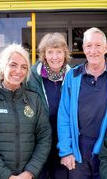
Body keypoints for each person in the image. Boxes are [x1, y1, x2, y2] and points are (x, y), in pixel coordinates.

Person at [0, 44, 52, 179]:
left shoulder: (34, 100)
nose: (18, 71)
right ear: (2, 67)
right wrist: (6, 176)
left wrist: (30, 172)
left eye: (24, 67)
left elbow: (45, 138)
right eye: (13, 65)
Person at [57, 27, 107, 179]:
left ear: (106, 48)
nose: (93, 50)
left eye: (98, 45)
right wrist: (66, 151)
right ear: (83, 48)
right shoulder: (72, 76)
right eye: (89, 45)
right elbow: (64, 115)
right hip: (79, 149)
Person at [27, 33, 71, 179]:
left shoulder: (73, 77)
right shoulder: (31, 76)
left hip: (63, 142)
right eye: (50, 52)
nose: (55, 57)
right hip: (38, 141)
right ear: (44, 55)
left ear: (65, 54)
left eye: (59, 52)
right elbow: (9, 88)